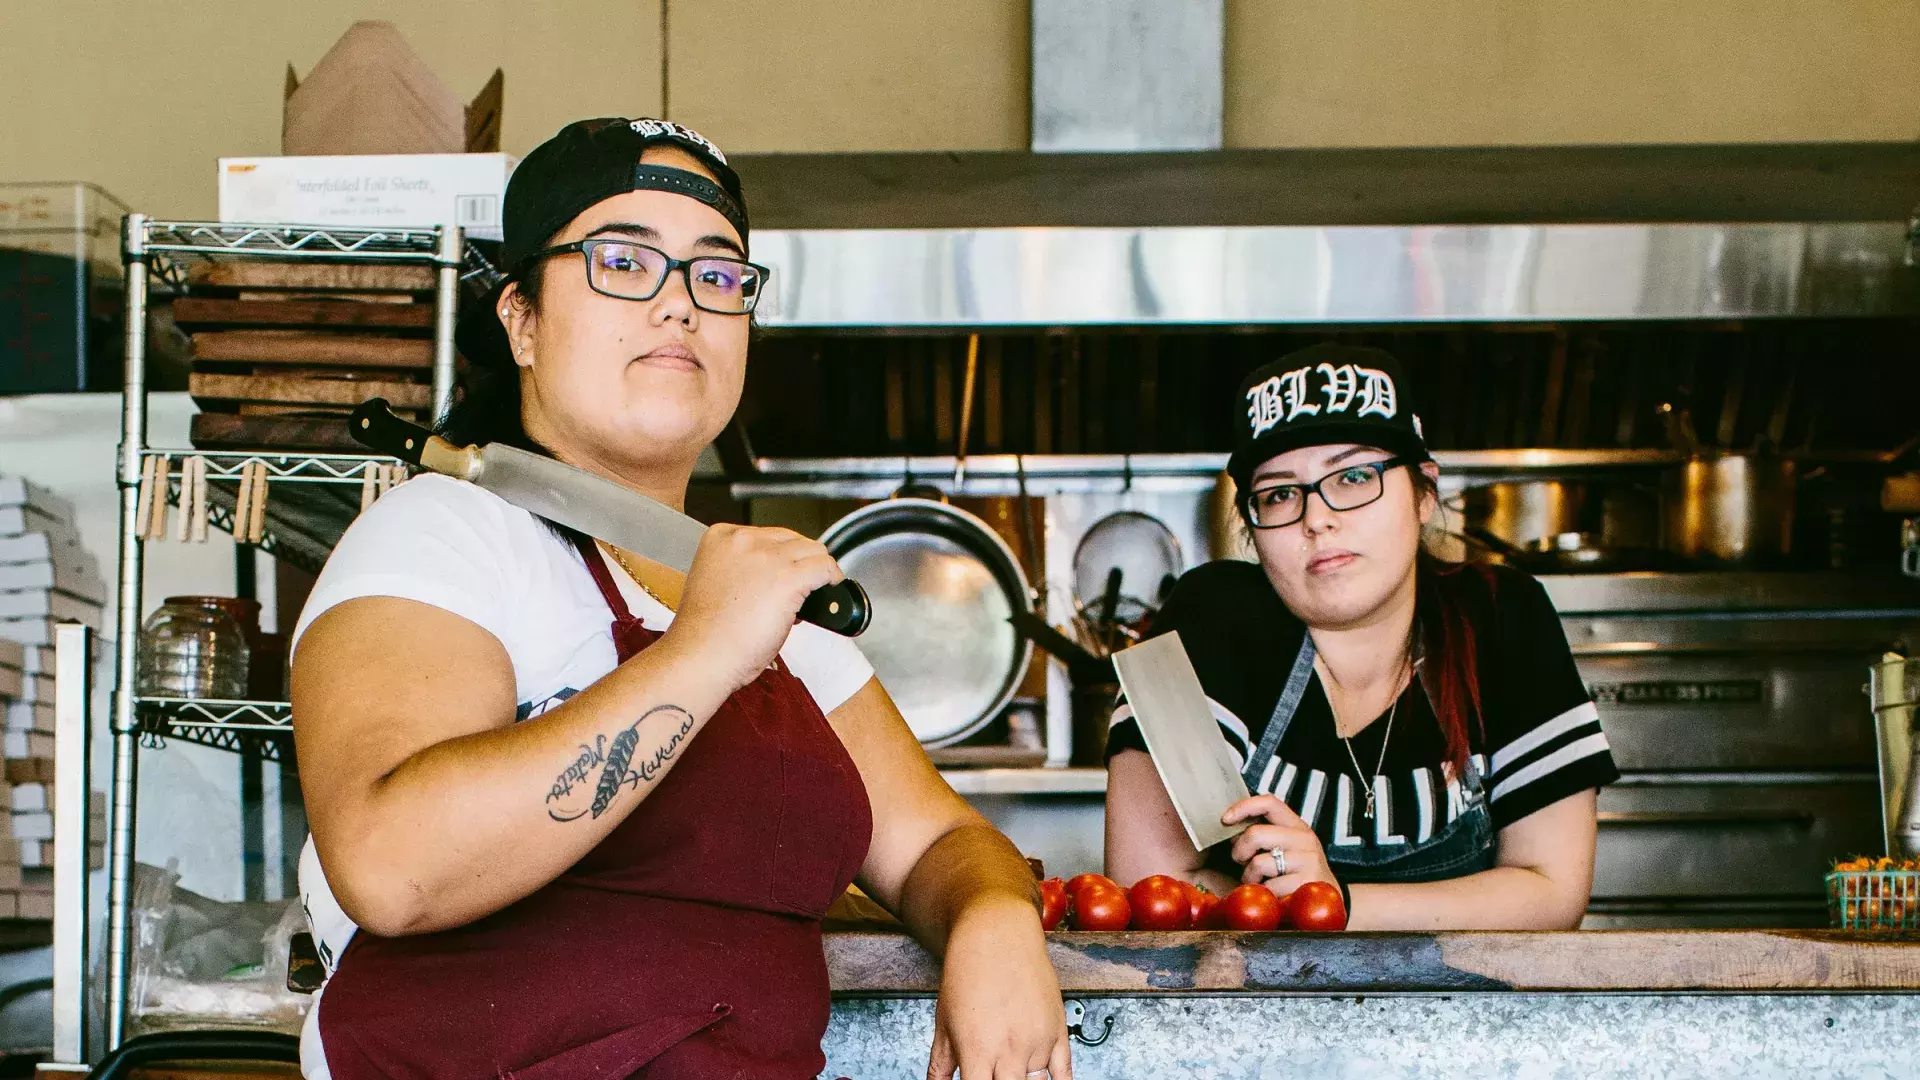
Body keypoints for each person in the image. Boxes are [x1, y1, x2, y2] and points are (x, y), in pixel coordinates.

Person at [290, 118, 1068, 1080]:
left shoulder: (780, 605)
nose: (679, 307)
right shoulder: (446, 536)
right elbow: (390, 868)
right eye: (623, 261)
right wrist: (706, 649)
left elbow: (940, 840)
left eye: (718, 275)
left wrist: (994, 920)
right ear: (520, 318)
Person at [1104, 343, 1618, 930]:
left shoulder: (1503, 617)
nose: (1316, 517)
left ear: (1424, 493)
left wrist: (1337, 902)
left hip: (1474, 1016)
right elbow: (1151, 885)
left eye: (1353, 477)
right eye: (1279, 493)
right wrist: (1307, 903)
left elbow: (1551, 891)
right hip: (1254, 1016)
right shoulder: (1209, 623)